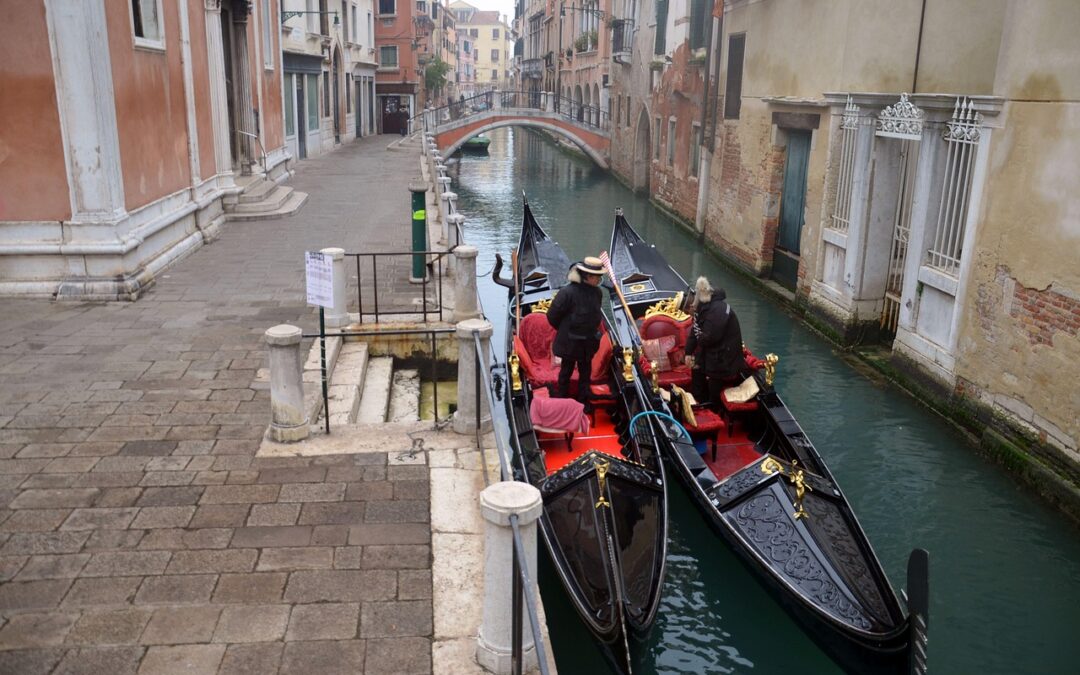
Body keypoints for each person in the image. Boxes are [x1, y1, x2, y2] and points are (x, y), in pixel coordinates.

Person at [547, 256, 606, 410]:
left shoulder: (597, 293)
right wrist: (565, 330)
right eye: (597, 277)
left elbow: (595, 316)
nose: (599, 280)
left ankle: (583, 402)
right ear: (588, 276)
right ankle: (562, 402)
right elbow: (552, 316)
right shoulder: (567, 292)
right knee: (566, 371)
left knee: (585, 373)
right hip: (570, 342)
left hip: (588, 341)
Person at [685, 276, 748, 405]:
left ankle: (714, 407)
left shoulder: (717, 310)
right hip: (714, 351)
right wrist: (688, 352)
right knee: (696, 367)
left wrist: (698, 335)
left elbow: (708, 338)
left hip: (724, 356)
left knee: (714, 380)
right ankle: (699, 401)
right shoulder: (704, 309)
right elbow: (695, 331)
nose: (691, 305)